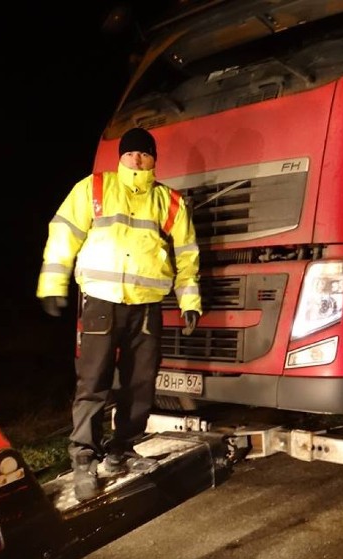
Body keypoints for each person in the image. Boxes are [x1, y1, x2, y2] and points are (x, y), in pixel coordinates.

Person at [36, 127, 202, 501]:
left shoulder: (170, 201)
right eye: (131, 153)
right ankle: (83, 459)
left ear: (154, 160)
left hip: (146, 304)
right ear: (121, 156)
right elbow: (63, 235)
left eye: (145, 154)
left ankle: (122, 449)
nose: (138, 159)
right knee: (92, 381)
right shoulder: (93, 189)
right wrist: (51, 284)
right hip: (100, 299)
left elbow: (188, 257)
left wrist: (190, 302)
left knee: (140, 383)